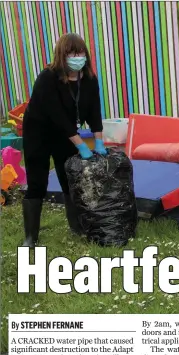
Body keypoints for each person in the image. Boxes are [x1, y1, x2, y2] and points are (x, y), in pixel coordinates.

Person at [21, 33, 106, 247]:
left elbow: (94, 111)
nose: (77, 57)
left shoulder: (89, 79)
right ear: (62, 55)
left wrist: (99, 140)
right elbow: (56, 114)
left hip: (66, 135)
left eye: (80, 52)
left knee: (69, 178)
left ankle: (76, 228)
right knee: (37, 181)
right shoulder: (47, 78)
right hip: (38, 133)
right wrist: (79, 144)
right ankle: (31, 236)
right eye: (72, 53)